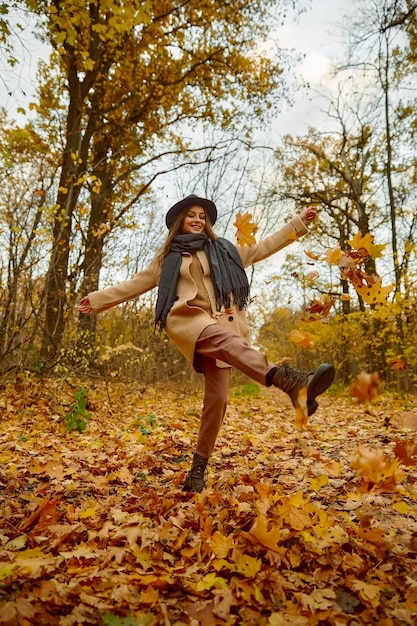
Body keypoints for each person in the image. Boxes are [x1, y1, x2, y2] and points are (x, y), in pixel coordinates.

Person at [76, 195, 335, 492]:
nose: (198, 219)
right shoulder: (167, 260)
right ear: (180, 223)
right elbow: (133, 285)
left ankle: (196, 472)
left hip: (225, 328)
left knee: (217, 402)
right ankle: (289, 382)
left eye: (202, 216)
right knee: (222, 338)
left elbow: (265, 246)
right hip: (191, 323)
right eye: (191, 216)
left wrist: (297, 224)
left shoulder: (225, 250)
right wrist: (97, 300)